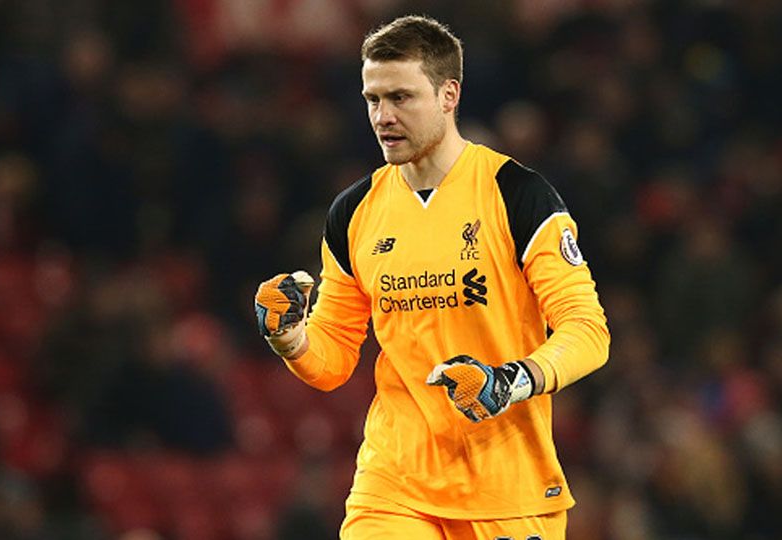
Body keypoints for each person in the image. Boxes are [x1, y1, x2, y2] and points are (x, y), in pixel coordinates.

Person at [254, 15, 610, 539]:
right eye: (372, 99)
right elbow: (331, 360)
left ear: (449, 95)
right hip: (394, 485)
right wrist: (289, 338)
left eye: (401, 98)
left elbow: (588, 330)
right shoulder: (354, 211)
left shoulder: (516, 194)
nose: (382, 116)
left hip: (506, 490)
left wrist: (511, 380)